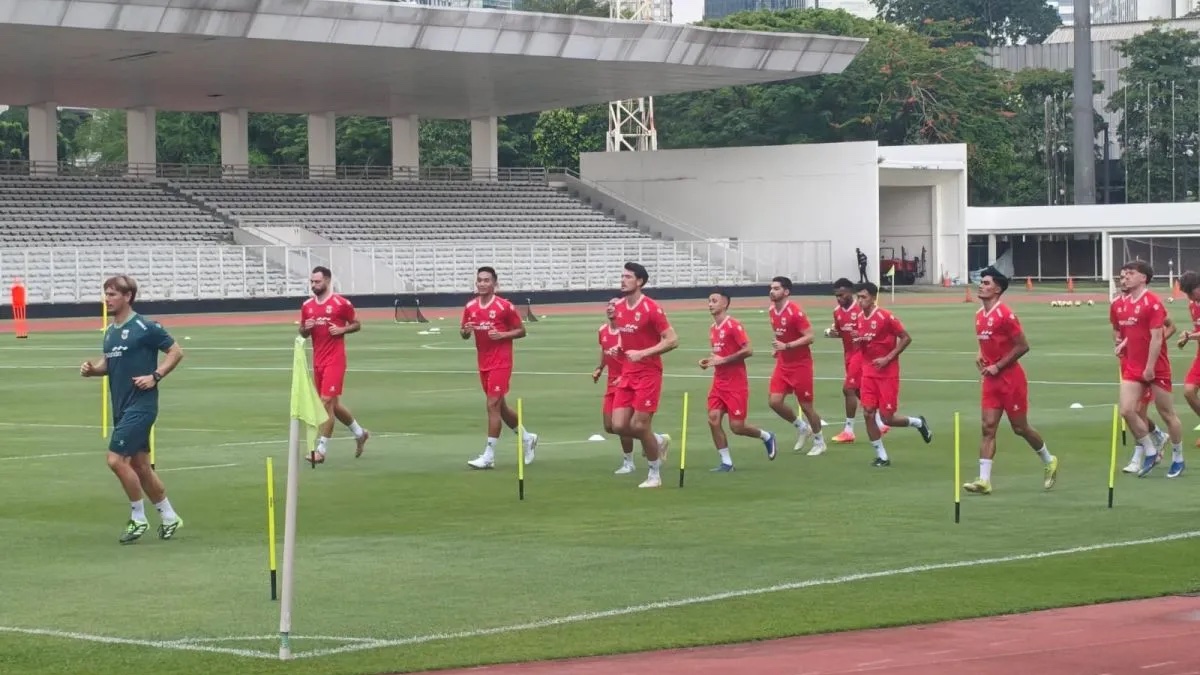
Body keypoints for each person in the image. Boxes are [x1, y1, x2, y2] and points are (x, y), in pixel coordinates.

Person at [80, 275, 185, 544]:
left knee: (115, 460)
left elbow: (175, 352)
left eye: (113, 294)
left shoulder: (146, 327)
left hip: (142, 405)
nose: (107, 299)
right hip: (121, 406)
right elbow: (108, 364)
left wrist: (155, 376)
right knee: (140, 466)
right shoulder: (110, 331)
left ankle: (138, 518)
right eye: (106, 294)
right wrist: (93, 371)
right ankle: (169, 516)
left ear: (128, 296)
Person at [963, 267, 1058, 494]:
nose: (981, 286)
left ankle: (1049, 460)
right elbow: (986, 341)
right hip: (991, 380)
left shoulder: (1005, 315)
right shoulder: (979, 315)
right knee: (987, 427)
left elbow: (1022, 346)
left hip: (1010, 380)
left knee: (1020, 427)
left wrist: (998, 365)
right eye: (981, 282)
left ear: (997, 289)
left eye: (986, 283)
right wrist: (980, 354)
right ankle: (984, 480)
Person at [1110, 260, 1183, 477]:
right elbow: (1132, 333)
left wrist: (1150, 367)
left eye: (1131, 273)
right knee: (1127, 410)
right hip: (1133, 366)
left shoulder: (1153, 303)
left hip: (1155, 367)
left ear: (1143, 278)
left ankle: (1178, 457)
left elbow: (1156, 337)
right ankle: (1150, 451)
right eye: (1125, 274)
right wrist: (1123, 344)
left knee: (1167, 414)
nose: (1126, 277)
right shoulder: (1123, 303)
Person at [461, 266, 538, 469]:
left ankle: (489, 456)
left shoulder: (505, 307)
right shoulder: (470, 307)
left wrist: (502, 335)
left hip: (501, 361)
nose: (482, 283)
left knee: (491, 405)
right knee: (500, 407)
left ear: (495, 283)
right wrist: (466, 332)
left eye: (486, 280)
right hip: (483, 362)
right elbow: (464, 333)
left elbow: (521, 331)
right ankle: (528, 438)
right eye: (479, 280)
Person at [611, 262, 677, 489]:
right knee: (618, 425)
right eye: (622, 276)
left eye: (628, 277)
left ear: (639, 281)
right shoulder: (619, 307)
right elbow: (626, 338)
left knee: (639, 426)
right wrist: (620, 356)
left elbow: (672, 340)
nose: (623, 280)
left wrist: (643, 353)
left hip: (649, 372)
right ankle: (658, 439)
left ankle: (654, 474)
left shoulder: (652, 308)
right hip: (628, 373)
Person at [853, 281, 933, 466]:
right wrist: (857, 340)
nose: (860, 301)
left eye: (864, 297)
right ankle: (882, 456)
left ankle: (918, 423)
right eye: (858, 297)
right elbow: (865, 342)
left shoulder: (885, 316)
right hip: (868, 372)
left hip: (887, 373)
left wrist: (887, 358)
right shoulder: (859, 318)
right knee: (868, 413)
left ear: (873, 298)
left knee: (887, 418)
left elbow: (906, 338)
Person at [299, 266, 370, 465]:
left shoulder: (341, 304)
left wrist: (342, 329)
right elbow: (302, 332)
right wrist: (306, 328)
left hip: (335, 360)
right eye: (312, 282)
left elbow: (357, 324)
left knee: (325, 402)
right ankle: (360, 433)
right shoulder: (307, 306)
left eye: (317, 281)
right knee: (334, 405)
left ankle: (321, 450)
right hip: (318, 361)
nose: (314, 285)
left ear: (328, 281)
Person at [699, 290, 777, 471]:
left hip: (736, 383)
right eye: (709, 301)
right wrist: (709, 361)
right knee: (713, 420)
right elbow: (719, 355)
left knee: (737, 427)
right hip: (719, 383)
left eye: (714, 301)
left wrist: (723, 360)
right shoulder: (713, 328)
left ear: (725, 303)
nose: (710, 304)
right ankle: (726, 462)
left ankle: (766, 436)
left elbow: (748, 350)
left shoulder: (733, 325)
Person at [595, 298, 669, 475]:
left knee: (630, 425)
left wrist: (624, 375)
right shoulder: (603, 330)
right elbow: (604, 350)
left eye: (614, 305)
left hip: (629, 379)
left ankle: (630, 462)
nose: (611, 308)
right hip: (613, 382)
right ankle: (656, 439)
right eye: (608, 305)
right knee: (611, 426)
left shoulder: (628, 330)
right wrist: (600, 367)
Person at [766, 276, 826, 456]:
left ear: (786, 292)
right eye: (771, 288)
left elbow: (810, 336)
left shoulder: (795, 312)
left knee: (806, 406)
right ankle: (802, 428)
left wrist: (787, 346)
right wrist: (778, 349)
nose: (772, 291)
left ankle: (820, 441)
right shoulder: (771, 310)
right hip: (783, 364)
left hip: (801, 365)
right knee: (774, 402)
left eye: (776, 288)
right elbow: (780, 334)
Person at [824, 277, 889, 443]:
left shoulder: (861, 310)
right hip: (848, 354)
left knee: (848, 389)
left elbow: (872, 331)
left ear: (850, 293)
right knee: (859, 390)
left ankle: (849, 430)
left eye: (842, 295)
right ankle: (880, 423)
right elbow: (841, 332)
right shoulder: (837, 312)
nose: (839, 298)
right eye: (836, 295)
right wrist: (832, 333)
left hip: (861, 354)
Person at [1172, 269, 1200, 478]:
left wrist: (1190, 336)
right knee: (1189, 391)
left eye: (1191, 292)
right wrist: (1187, 337)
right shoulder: (1193, 305)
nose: (1190, 297)